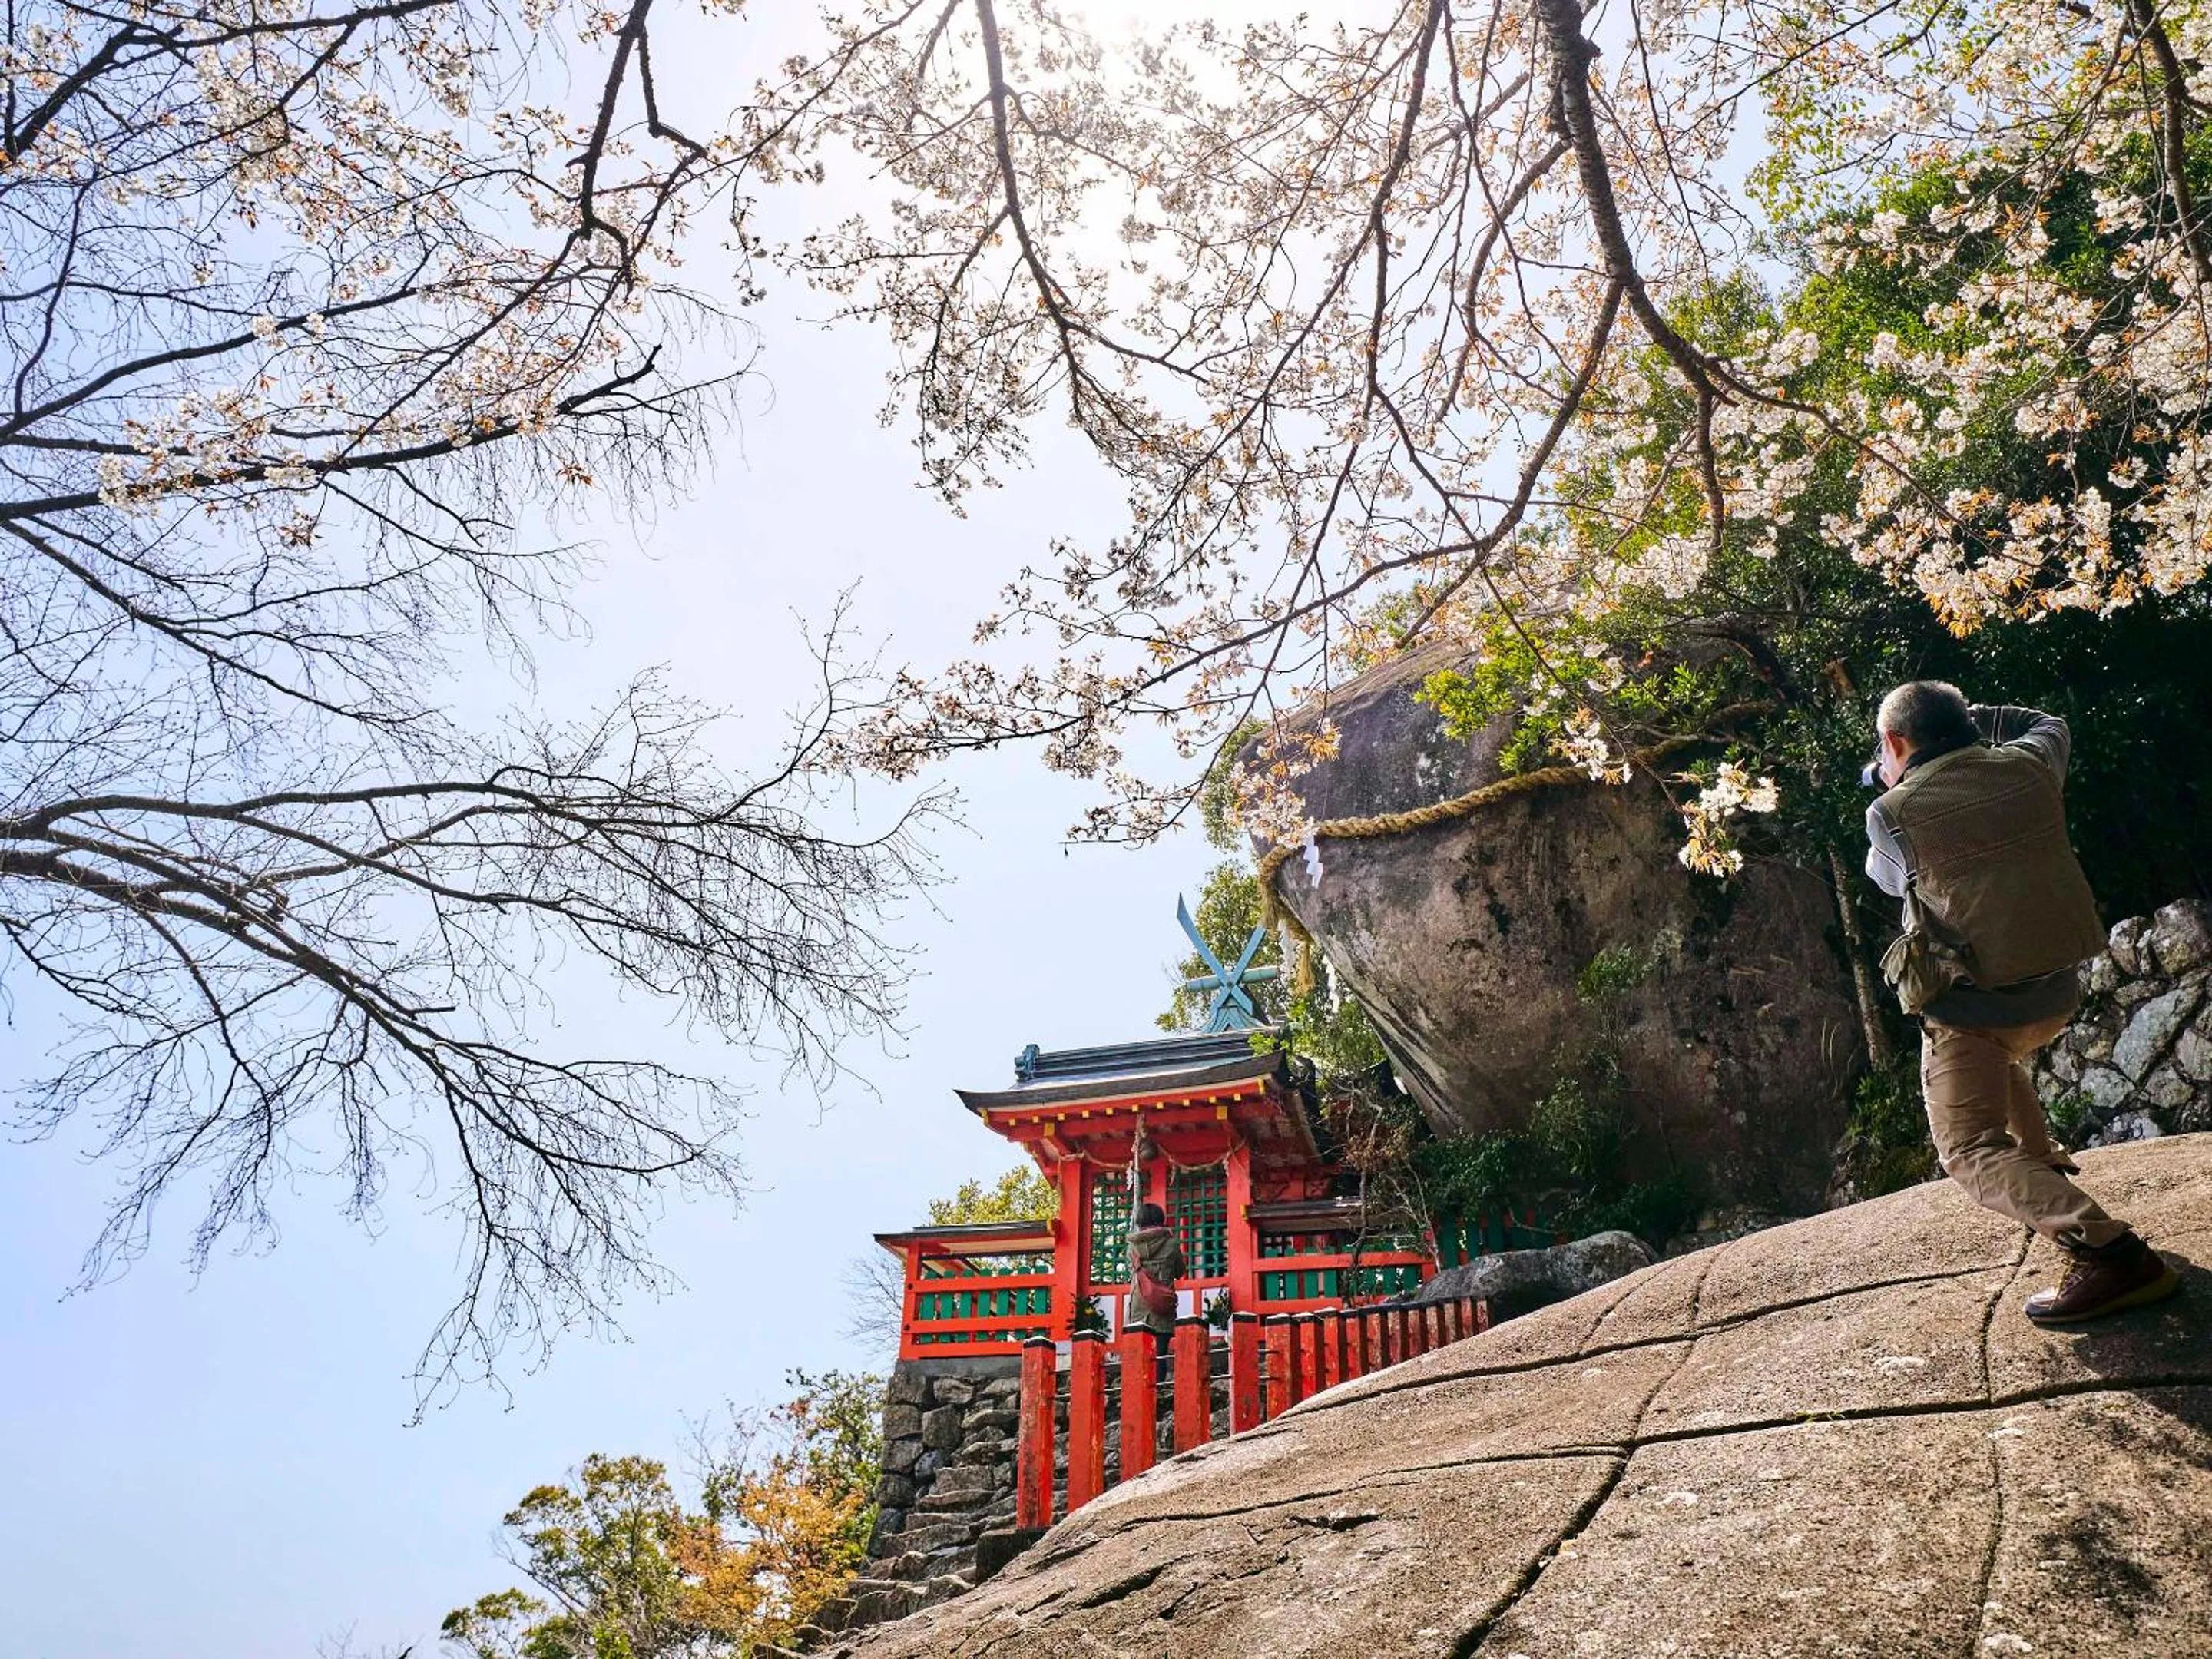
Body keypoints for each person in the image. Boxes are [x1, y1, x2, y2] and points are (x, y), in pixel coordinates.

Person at [1864, 681, 2179, 1323]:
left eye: (1884, 750)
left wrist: (1889, 786)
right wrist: (1976, 722)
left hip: (1973, 1014)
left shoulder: (1891, 813)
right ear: (1967, 723)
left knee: (1970, 1150)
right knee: (1997, 1066)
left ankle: (2110, 1253)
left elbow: (1887, 879)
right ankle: (2041, 1164)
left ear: (1896, 743)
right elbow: (2051, 720)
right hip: (2055, 995)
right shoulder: (2034, 763)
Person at [1125, 1201, 1184, 1339]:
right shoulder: (1171, 1244)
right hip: (1162, 1305)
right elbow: (1180, 1271)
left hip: (1139, 1306)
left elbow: (1132, 1271)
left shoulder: (1132, 1248)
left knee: (1142, 1356)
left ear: (1140, 1221)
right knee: (1161, 1355)